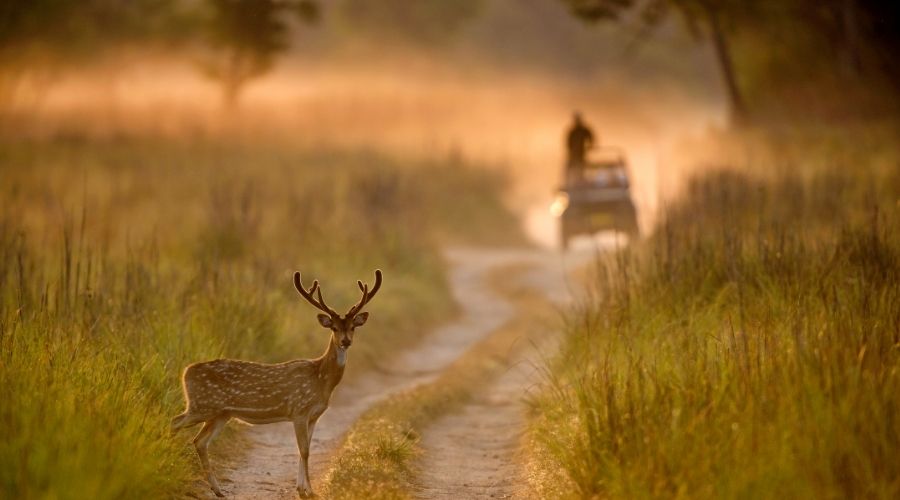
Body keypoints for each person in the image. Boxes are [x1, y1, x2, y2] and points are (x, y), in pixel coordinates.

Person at [565, 112, 595, 180]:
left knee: (581, 166)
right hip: (574, 153)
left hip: (581, 152)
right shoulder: (573, 131)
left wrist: (590, 146)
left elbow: (591, 138)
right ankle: (574, 179)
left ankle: (581, 179)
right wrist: (571, 150)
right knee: (572, 167)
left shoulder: (583, 130)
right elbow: (568, 143)